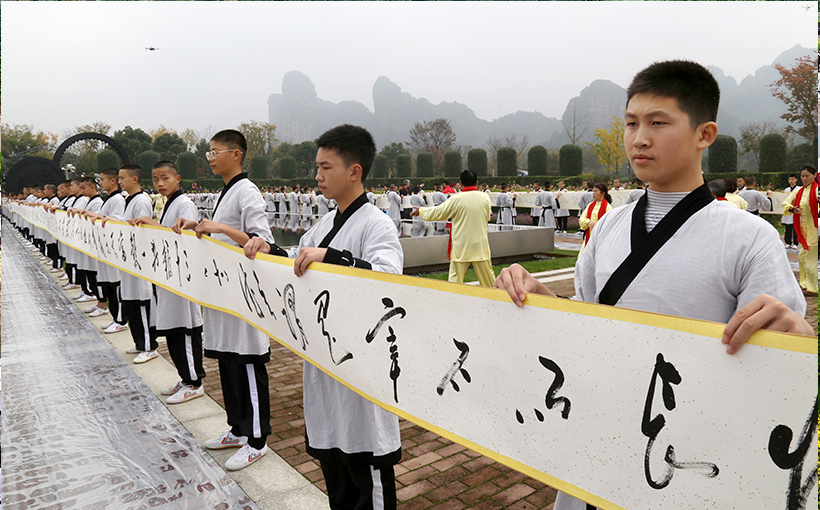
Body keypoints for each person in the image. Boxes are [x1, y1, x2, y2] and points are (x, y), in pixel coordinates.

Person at [493, 60, 811, 510]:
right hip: (599, 432)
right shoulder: (609, 226)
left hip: (688, 454)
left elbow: (780, 371)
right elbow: (586, 319)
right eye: (631, 123)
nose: (639, 138)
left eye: (658, 123)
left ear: (705, 134)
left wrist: (796, 339)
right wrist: (538, 297)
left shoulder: (749, 237)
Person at [244, 124, 403, 510]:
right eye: (317, 166)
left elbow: (389, 279)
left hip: (361, 372)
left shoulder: (376, 223)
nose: (317, 175)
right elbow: (297, 260)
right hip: (324, 363)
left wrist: (333, 258)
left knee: (367, 476)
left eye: (326, 167)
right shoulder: (323, 225)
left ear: (354, 171)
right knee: (337, 477)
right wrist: (268, 249)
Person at [173, 129, 274, 471]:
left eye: (216, 152)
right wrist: (197, 225)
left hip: (243, 295)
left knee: (248, 362)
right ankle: (237, 429)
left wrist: (222, 228)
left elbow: (262, 241)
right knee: (229, 363)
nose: (211, 158)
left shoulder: (247, 191)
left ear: (236, 154)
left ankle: (257, 440)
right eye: (209, 152)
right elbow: (223, 234)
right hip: (222, 293)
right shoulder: (227, 191)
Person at [130, 161, 207, 404]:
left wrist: (151, 223)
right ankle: (185, 378)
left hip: (182, 279)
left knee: (185, 330)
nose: (159, 183)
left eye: (165, 178)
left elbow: (185, 239)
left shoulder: (185, 203)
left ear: (178, 179)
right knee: (173, 332)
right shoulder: (169, 203)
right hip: (169, 277)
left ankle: (194, 382)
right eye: (155, 179)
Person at [413, 170, 494, 287]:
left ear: (460, 183)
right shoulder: (484, 198)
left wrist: (421, 211)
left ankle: (453, 298)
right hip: (480, 245)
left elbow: (438, 212)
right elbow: (487, 218)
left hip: (461, 245)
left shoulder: (456, 199)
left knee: (455, 282)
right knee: (489, 282)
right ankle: (497, 298)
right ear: (476, 182)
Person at [119, 164, 159, 363]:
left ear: (134, 179)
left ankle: (149, 346)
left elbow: (143, 230)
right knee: (131, 303)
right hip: (129, 260)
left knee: (141, 303)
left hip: (140, 262)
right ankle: (139, 343)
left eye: (122, 178)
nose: (120, 182)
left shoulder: (141, 201)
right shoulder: (130, 200)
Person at [781, 165, 818, 296]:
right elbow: (785, 202)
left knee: (810, 260)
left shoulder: (817, 190)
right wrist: (792, 209)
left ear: (814, 175)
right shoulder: (800, 191)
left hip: (815, 231)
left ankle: (813, 288)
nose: (804, 178)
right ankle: (805, 284)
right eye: (802, 176)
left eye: (807, 176)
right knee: (802, 258)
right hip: (804, 232)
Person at [577, 182, 610, 255]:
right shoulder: (590, 205)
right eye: (593, 191)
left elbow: (609, 223)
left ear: (603, 193)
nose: (593, 193)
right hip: (589, 236)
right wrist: (588, 222)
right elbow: (582, 218)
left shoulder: (608, 207)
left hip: (600, 238)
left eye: (595, 191)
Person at [780, 174, 799, 248]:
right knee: (788, 227)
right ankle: (788, 242)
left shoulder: (799, 189)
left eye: (793, 179)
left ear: (796, 180)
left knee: (796, 227)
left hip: (795, 210)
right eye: (790, 179)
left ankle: (796, 243)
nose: (791, 181)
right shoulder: (786, 190)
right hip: (788, 210)